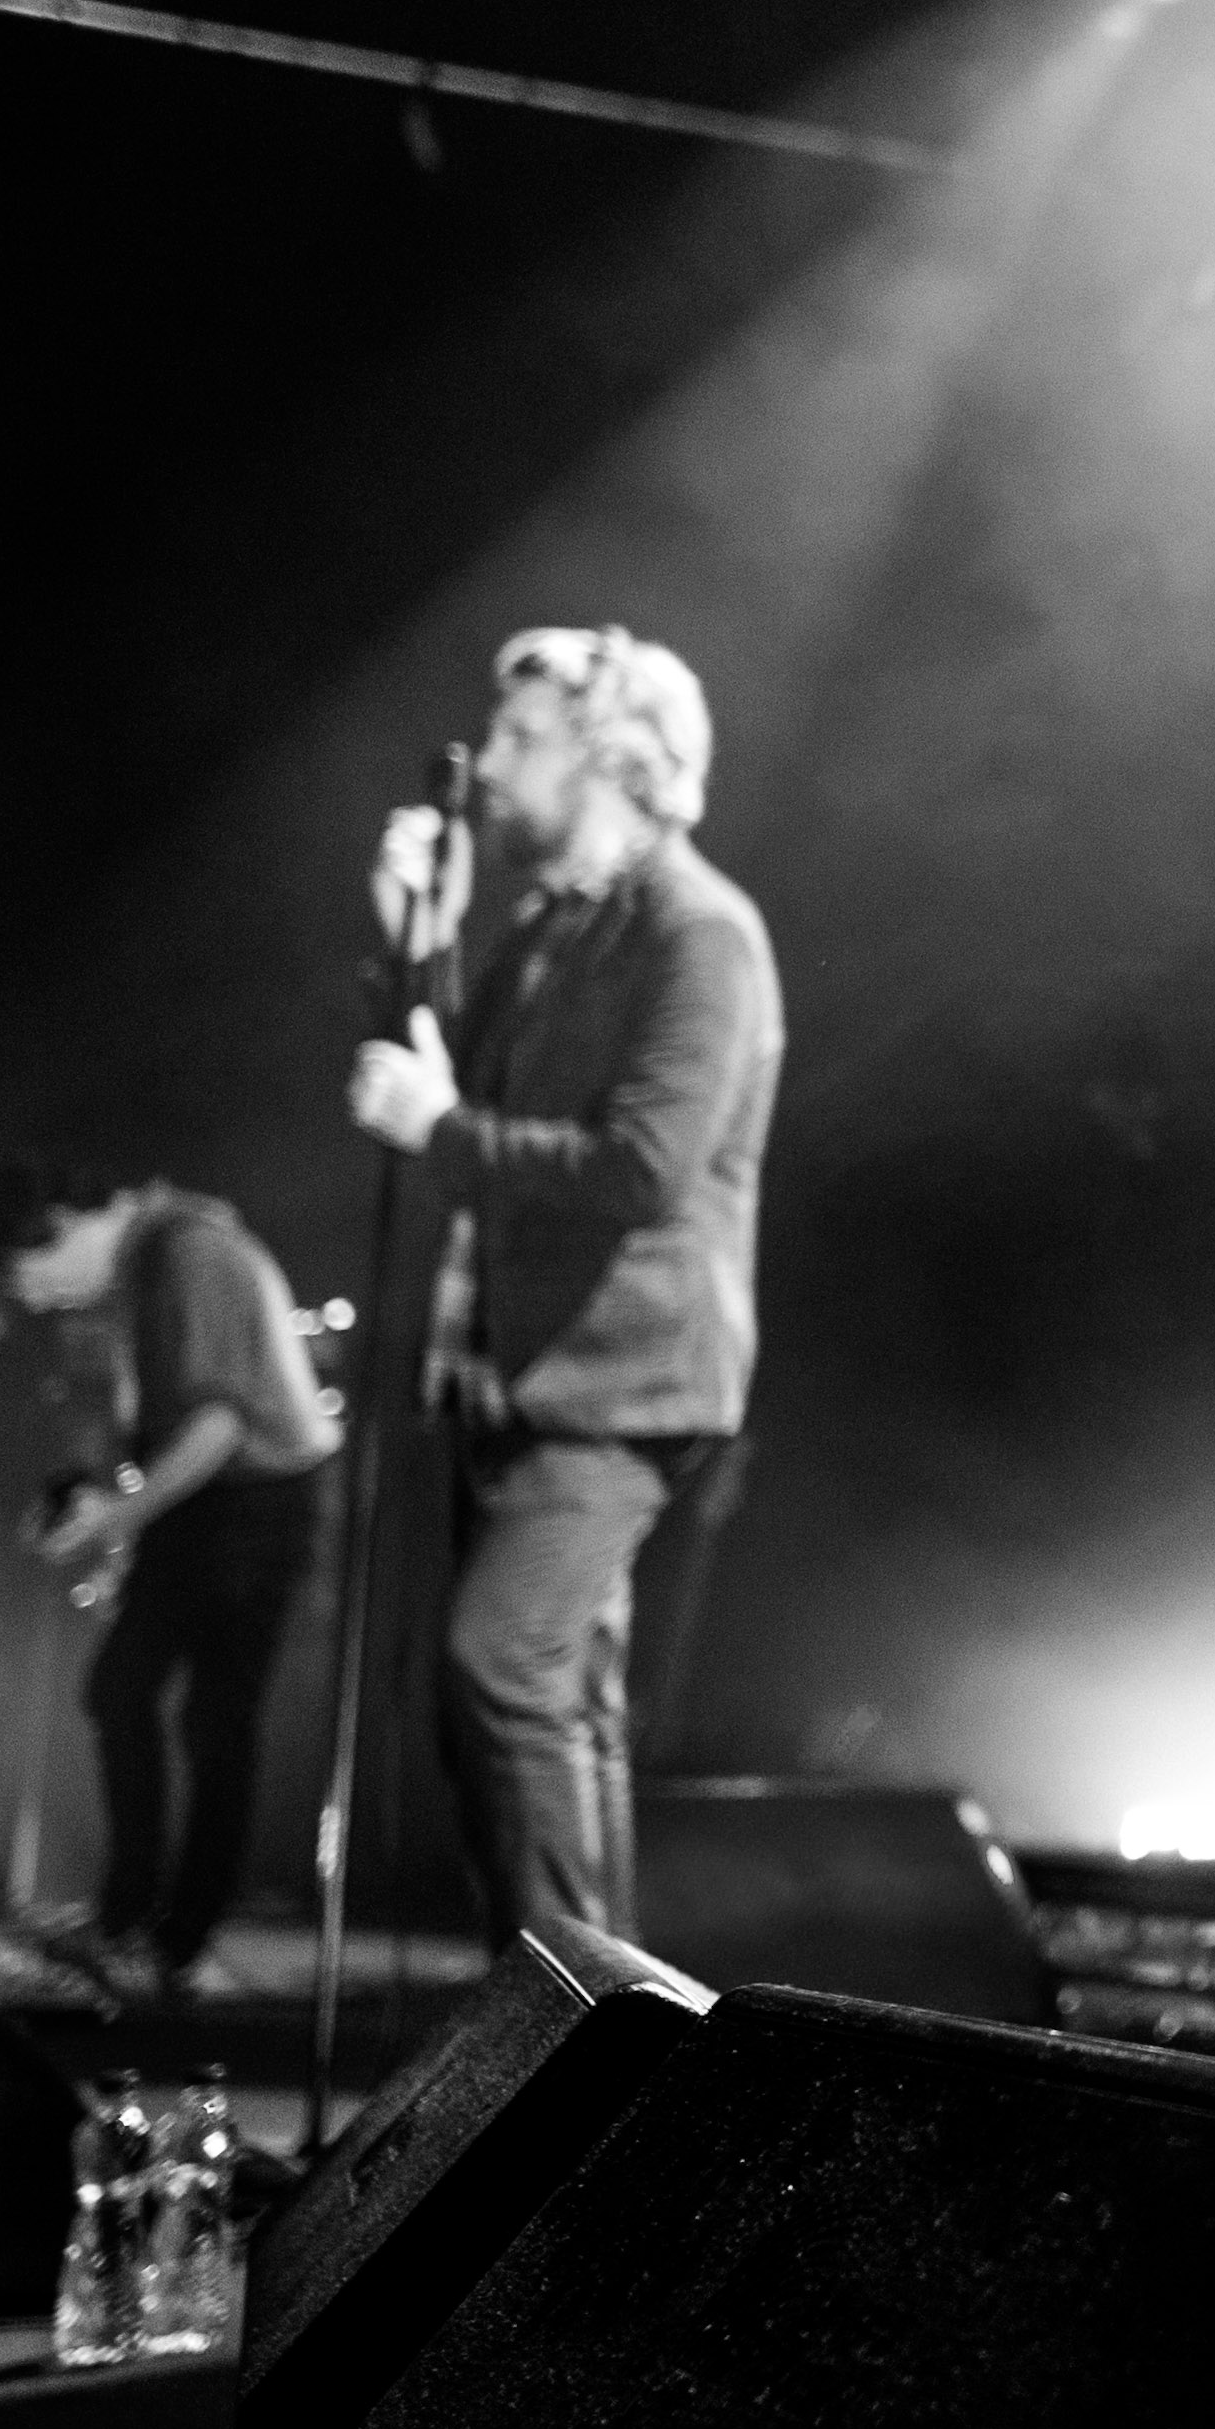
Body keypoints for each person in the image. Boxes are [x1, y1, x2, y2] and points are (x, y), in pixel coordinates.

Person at [344, 625, 782, 1944]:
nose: (490, 767)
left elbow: (643, 1168)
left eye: (523, 738)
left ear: (613, 758)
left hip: (620, 1380)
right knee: (554, 1696)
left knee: (504, 1663)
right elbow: (444, 1095)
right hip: (516, 1371)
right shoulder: (550, 929)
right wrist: (417, 938)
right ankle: (597, 2003)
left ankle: (568, 2023)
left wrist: (439, 1126)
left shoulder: (700, 933)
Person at [0, 1159, 342, 1998]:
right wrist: (88, 1497)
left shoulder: (190, 1251)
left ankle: (173, 1942)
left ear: (57, 1223)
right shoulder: (143, 1264)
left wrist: (117, 1518)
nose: (38, 1302)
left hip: (258, 1503)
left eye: (27, 1279)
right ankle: (126, 1923)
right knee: (121, 1690)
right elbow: (155, 1427)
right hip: (204, 1502)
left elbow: (220, 1424)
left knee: (215, 1719)